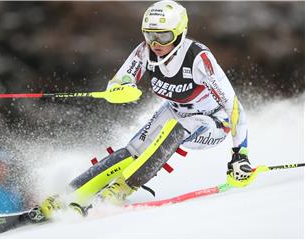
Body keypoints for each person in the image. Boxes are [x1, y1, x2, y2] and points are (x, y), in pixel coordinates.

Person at [37, 0, 252, 219]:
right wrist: (121, 90)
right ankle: (69, 195)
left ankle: (121, 189)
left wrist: (240, 155)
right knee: (133, 150)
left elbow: (234, 107)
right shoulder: (144, 52)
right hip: (175, 110)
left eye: (163, 36)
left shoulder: (198, 59)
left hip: (213, 122)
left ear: (179, 34)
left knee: (179, 126)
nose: (156, 43)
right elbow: (118, 82)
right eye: (150, 35)